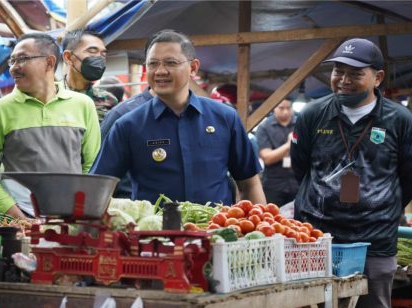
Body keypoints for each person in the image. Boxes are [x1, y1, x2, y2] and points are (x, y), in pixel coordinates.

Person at [291, 38, 412, 308]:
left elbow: (408, 176)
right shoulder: (313, 115)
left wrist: (381, 207)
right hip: (321, 239)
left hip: (375, 242)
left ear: (378, 77)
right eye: (338, 71)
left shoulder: (399, 120)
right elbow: (301, 169)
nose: (343, 79)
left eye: (354, 73)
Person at [91, 30, 265, 205]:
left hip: (217, 230)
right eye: (152, 64)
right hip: (154, 231)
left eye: (170, 63)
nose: (160, 71)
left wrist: (260, 228)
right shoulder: (128, 124)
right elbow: (97, 188)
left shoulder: (225, 118)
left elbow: (250, 184)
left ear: (193, 68)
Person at [0, 33, 101, 219]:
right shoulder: (0, 110)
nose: (14, 68)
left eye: (22, 59)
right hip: (19, 218)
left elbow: (93, 165)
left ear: (49, 62)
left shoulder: (83, 105)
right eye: (12, 61)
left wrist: (79, 211)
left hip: (69, 217)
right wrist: (15, 214)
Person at [61, 28, 118, 123]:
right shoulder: (49, 96)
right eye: (92, 51)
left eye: (103, 53)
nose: (100, 58)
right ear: (68, 57)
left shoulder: (109, 100)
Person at [255, 99, 299, 206]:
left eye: (288, 108)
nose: (285, 112)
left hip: (298, 182)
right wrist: (289, 144)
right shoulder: (264, 127)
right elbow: (267, 158)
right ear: (274, 108)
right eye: (281, 108)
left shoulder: (301, 123)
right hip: (273, 184)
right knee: (272, 218)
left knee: (299, 220)